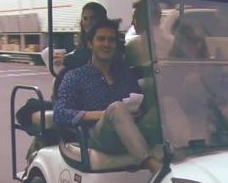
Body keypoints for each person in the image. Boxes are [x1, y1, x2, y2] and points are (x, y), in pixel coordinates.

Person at [54, 19, 162, 174]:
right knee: (117, 107)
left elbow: (140, 103)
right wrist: (101, 114)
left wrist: (137, 111)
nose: (106, 44)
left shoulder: (125, 75)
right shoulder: (75, 76)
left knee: (167, 104)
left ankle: (184, 155)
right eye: (101, 39)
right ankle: (152, 165)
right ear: (90, 44)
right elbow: (59, 113)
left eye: (111, 40)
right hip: (99, 136)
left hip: (131, 130)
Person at [51, 2, 108, 97]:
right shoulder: (85, 41)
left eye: (93, 18)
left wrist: (67, 60)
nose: (88, 22)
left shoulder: (106, 41)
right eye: (85, 19)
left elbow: (88, 60)